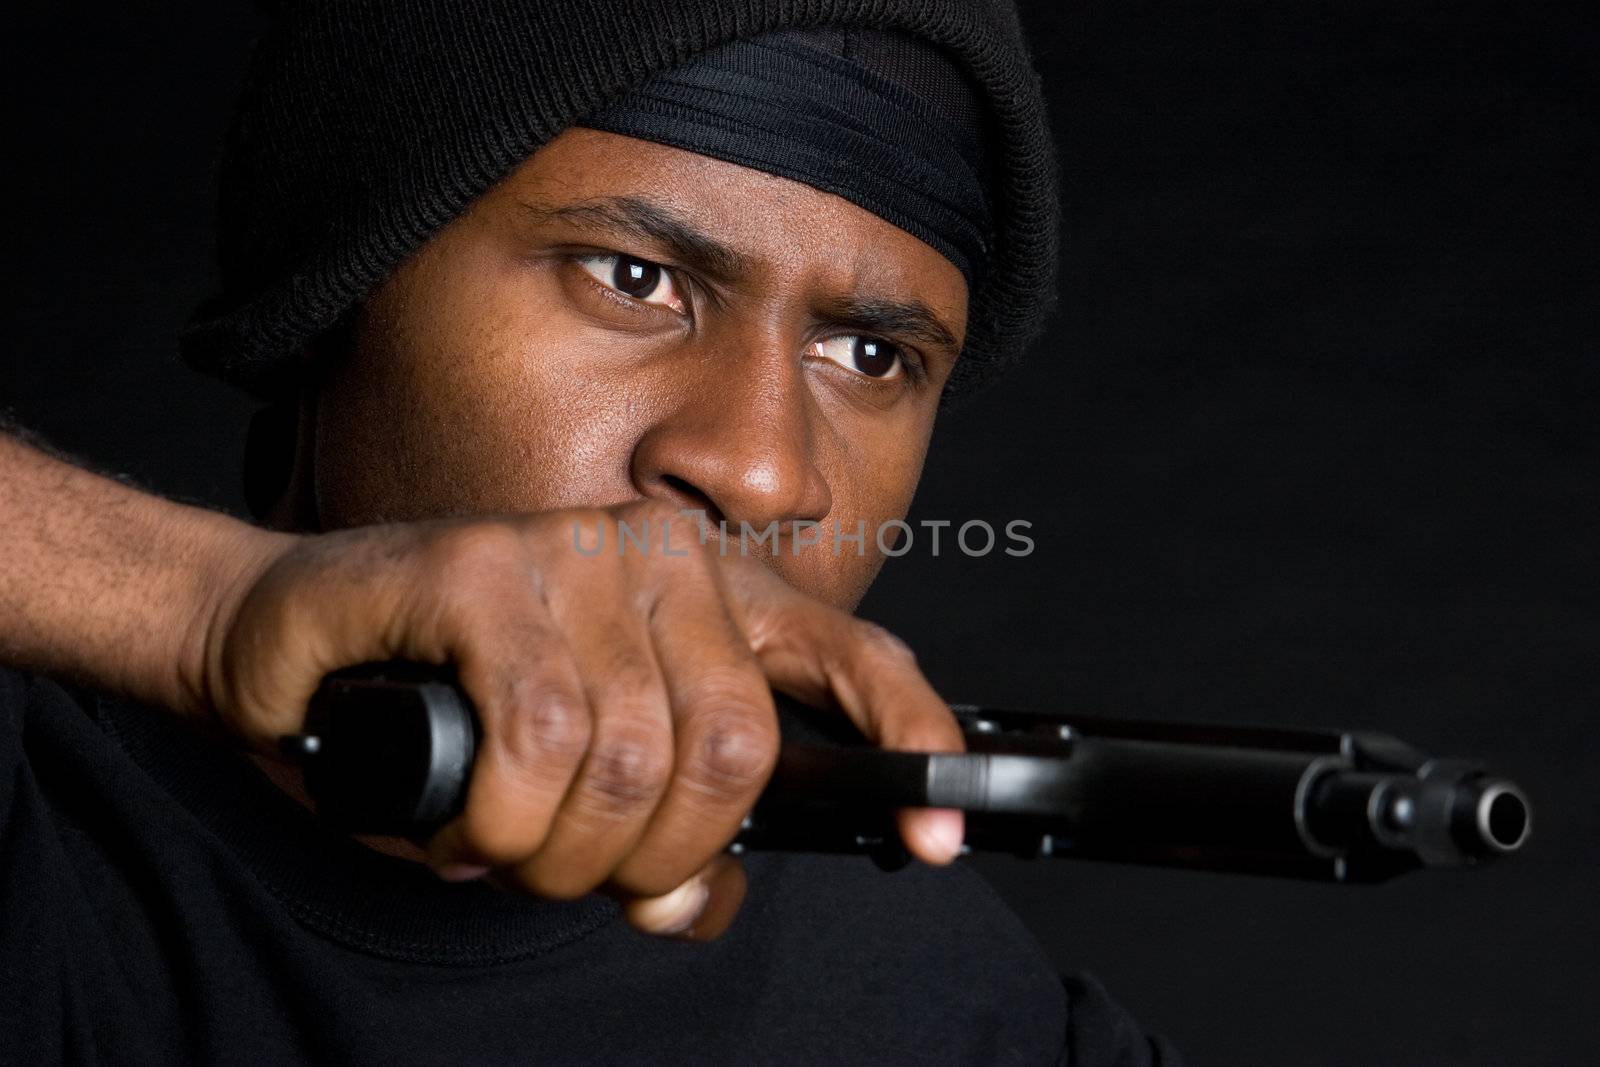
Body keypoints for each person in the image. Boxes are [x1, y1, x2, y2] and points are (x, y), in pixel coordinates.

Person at [1, 3, 1180, 1063]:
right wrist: (209, 606)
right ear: (335, 296)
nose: (765, 470)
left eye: (870, 356)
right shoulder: (49, 845)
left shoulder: (962, 1012)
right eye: (632, 275)